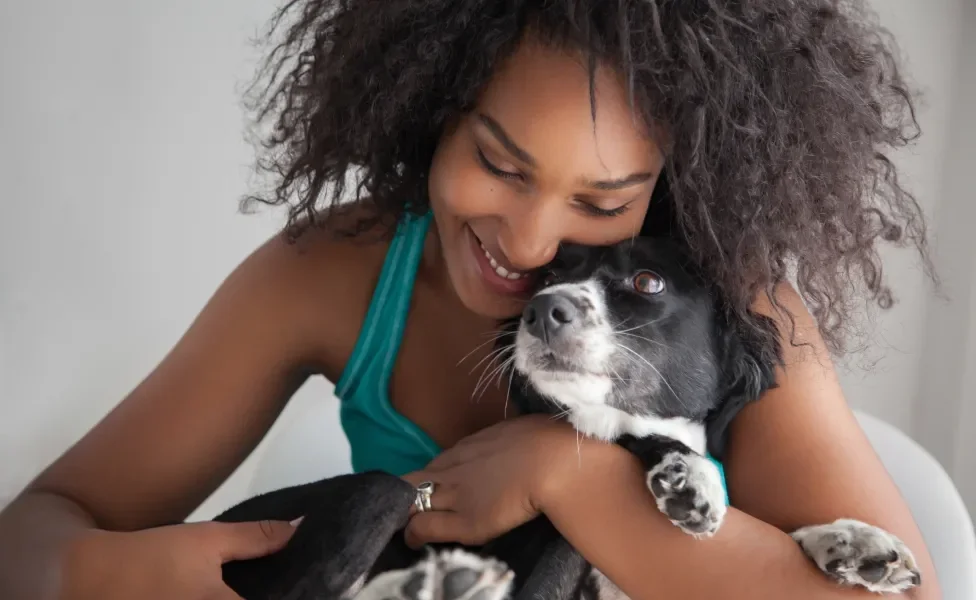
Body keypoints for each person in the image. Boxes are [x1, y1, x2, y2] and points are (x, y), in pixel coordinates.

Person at [0, 1, 943, 598]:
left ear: (672, 190)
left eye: (602, 202)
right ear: (429, 111)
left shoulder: (740, 313)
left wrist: (564, 472)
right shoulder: (336, 273)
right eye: (497, 163)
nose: (531, 245)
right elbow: (33, 530)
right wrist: (98, 568)